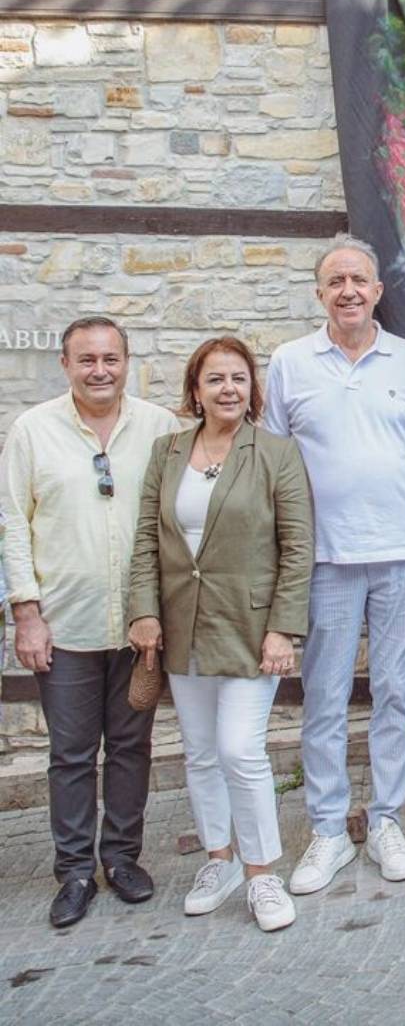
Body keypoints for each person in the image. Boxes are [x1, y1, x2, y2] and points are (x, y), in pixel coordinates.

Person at [264, 234, 405, 893]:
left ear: (378, 290)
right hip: (324, 557)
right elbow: (277, 467)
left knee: (396, 691)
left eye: (359, 280)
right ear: (320, 293)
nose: (348, 291)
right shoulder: (290, 362)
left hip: (400, 549)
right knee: (326, 696)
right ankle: (329, 830)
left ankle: (388, 820)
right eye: (335, 281)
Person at [127, 337, 313, 932]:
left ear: (251, 389)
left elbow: (298, 547)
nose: (228, 388)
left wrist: (283, 628)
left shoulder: (277, 453)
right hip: (181, 626)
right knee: (202, 753)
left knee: (241, 750)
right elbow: (146, 541)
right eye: (215, 379)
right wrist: (144, 611)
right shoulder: (168, 451)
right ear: (195, 390)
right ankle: (219, 859)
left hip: (251, 628)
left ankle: (263, 874)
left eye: (238, 378)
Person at [0, 317, 177, 928]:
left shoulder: (158, 426)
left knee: (131, 746)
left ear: (128, 361)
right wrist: (26, 613)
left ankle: (122, 857)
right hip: (65, 624)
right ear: (66, 365)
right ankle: (74, 870)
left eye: (110, 359)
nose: (99, 370)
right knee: (71, 753)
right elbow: (12, 524)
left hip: (140, 627)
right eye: (86, 360)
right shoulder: (33, 430)